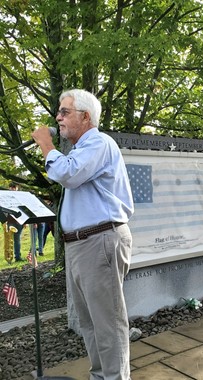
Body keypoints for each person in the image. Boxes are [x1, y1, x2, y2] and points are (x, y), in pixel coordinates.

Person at [32, 89, 134, 380]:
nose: (58, 117)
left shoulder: (99, 143)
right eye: (59, 112)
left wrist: (46, 145)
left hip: (99, 240)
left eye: (65, 112)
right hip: (81, 244)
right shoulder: (79, 149)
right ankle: (101, 376)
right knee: (89, 323)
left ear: (85, 117)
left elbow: (69, 174)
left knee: (107, 323)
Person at [8, 182, 25, 262]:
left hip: (18, 221)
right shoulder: (7, 197)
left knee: (16, 240)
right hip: (11, 221)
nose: (13, 189)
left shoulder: (20, 197)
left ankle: (16, 256)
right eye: (11, 187)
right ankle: (11, 257)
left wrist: (24, 222)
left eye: (14, 187)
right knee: (10, 241)